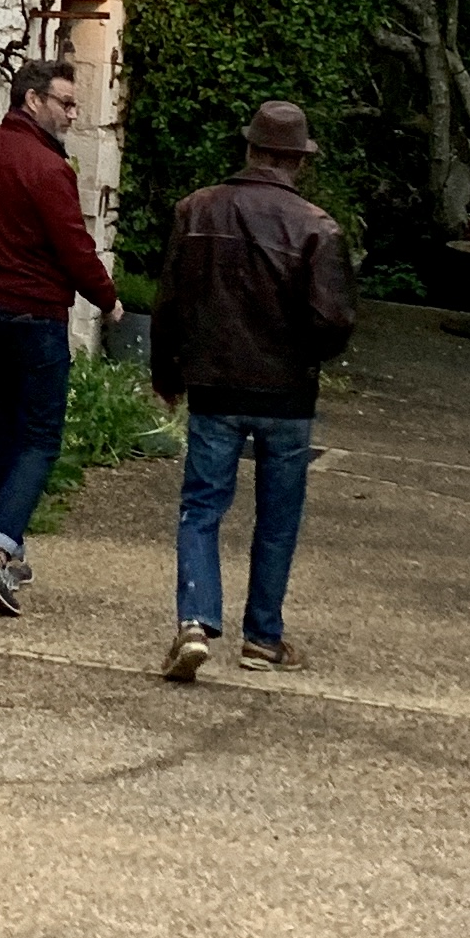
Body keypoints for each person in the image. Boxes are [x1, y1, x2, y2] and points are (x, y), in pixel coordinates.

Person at [149, 98, 356, 682]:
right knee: (278, 518)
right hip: (287, 393)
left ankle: (195, 622)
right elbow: (334, 320)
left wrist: (167, 373)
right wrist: (305, 357)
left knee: (201, 508)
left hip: (215, 386)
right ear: (299, 160)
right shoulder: (317, 227)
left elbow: (169, 304)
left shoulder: (196, 210)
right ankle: (263, 638)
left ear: (249, 148)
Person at [0, 54, 120, 617]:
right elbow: (73, 246)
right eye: (65, 103)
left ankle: (8, 553)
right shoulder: (48, 168)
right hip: (38, 317)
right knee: (39, 438)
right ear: (32, 100)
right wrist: (107, 298)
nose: (73, 114)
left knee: (7, 432)